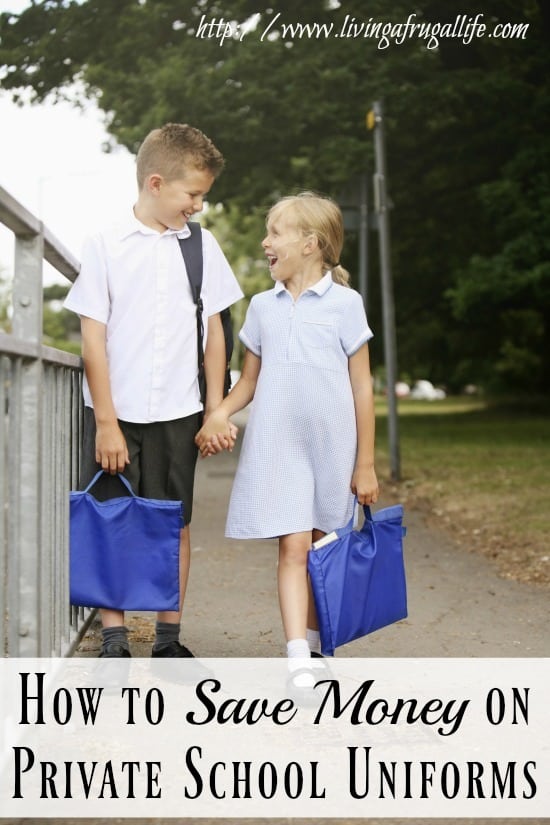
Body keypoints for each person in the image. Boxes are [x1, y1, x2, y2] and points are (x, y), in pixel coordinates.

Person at [64, 123, 243, 659]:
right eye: (194, 195)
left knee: (174, 523)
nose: (199, 207)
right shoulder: (105, 245)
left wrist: (214, 411)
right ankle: (114, 638)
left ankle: (168, 638)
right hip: (114, 415)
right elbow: (92, 339)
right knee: (110, 521)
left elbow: (215, 331)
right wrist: (105, 423)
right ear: (157, 183)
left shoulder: (202, 246)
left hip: (178, 411)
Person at [195, 191, 378, 694]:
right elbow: (248, 382)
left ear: (310, 244)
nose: (265, 242)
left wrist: (365, 464)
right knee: (292, 544)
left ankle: (319, 648)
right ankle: (297, 656)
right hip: (280, 443)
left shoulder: (346, 304)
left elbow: (362, 387)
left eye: (275, 233)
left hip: (333, 445)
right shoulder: (262, 307)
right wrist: (219, 414)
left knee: (322, 545)